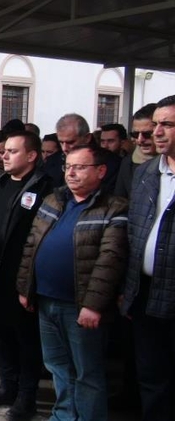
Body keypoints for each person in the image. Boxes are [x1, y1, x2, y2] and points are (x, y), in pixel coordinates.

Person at [17, 145, 128, 421]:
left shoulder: (114, 208)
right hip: (46, 300)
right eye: (68, 167)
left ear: (100, 171)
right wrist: (25, 288)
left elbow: (110, 260)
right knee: (57, 365)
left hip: (80, 306)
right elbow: (31, 245)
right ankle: (64, 415)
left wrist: (93, 305)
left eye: (80, 167)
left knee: (87, 372)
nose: (71, 173)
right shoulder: (54, 201)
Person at [0, 131, 53, 421]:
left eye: (12, 151)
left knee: (25, 339)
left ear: (31, 155)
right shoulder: (1, 181)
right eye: (4, 150)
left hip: (20, 277)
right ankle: (8, 386)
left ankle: (26, 397)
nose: (4, 156)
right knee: (2, 333)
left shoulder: (45, 188)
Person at [122, 96, 175, 421]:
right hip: (145, 293)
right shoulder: (145, 173)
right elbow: (132, 232)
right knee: (152, 377)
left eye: (167, 124)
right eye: (155, 124)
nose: (156, 132)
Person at [114, 103, 157, 198]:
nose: (140, 140)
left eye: (147, 134)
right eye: (136, 134)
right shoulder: (127, 163)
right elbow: (120, 200)